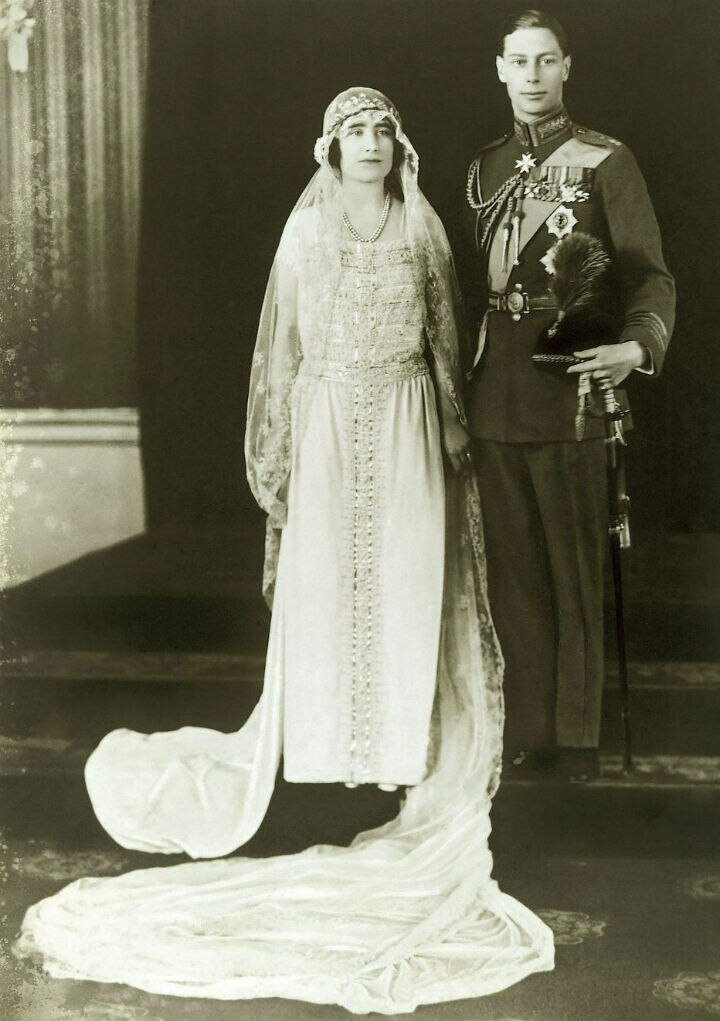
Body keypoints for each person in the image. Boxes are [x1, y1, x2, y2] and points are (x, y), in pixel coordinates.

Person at [15, 88, 554, 1014]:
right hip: (329, 426)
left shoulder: (422, 226)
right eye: (355, 132)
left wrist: (455, 428)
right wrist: (289, 455)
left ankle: (394, 746)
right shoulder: (304, 234)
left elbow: (439, 337)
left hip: (408, 423)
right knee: (330, 591)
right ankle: (325, 743)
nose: (372, 145)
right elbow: (288, 349)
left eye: (383, 130)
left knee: (405, 584)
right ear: (329, 148)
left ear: (399, 145)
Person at [461, 10, 675, 778]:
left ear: (565, 68)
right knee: (514, 577)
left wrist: (637, 345)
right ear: (499, 69)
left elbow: (650, 274)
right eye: (517, 62)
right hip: (497, 399)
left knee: (575, 575)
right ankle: (531, 733)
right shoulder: (483, 169)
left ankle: (578, 742)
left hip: (573, 387)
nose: (530, 75)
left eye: (544, 61)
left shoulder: (605, 161)